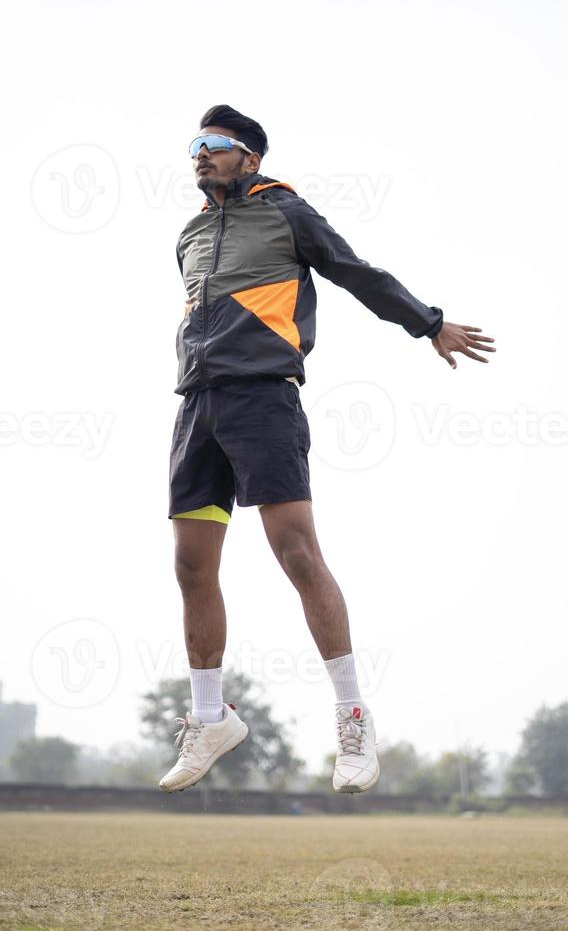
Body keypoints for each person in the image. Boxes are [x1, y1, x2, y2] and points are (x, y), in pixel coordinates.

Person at [158, 104, 496, 794]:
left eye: (216, 145)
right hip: (197, 406)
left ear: (249, 158)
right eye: (196, 145)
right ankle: (209, 718)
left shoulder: (288, 213)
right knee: (192, 568)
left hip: (264, 398)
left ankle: (352, 718)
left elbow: (354, 271)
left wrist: (427, 323)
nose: (201, 154)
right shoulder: (189, 234)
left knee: (297, 553)